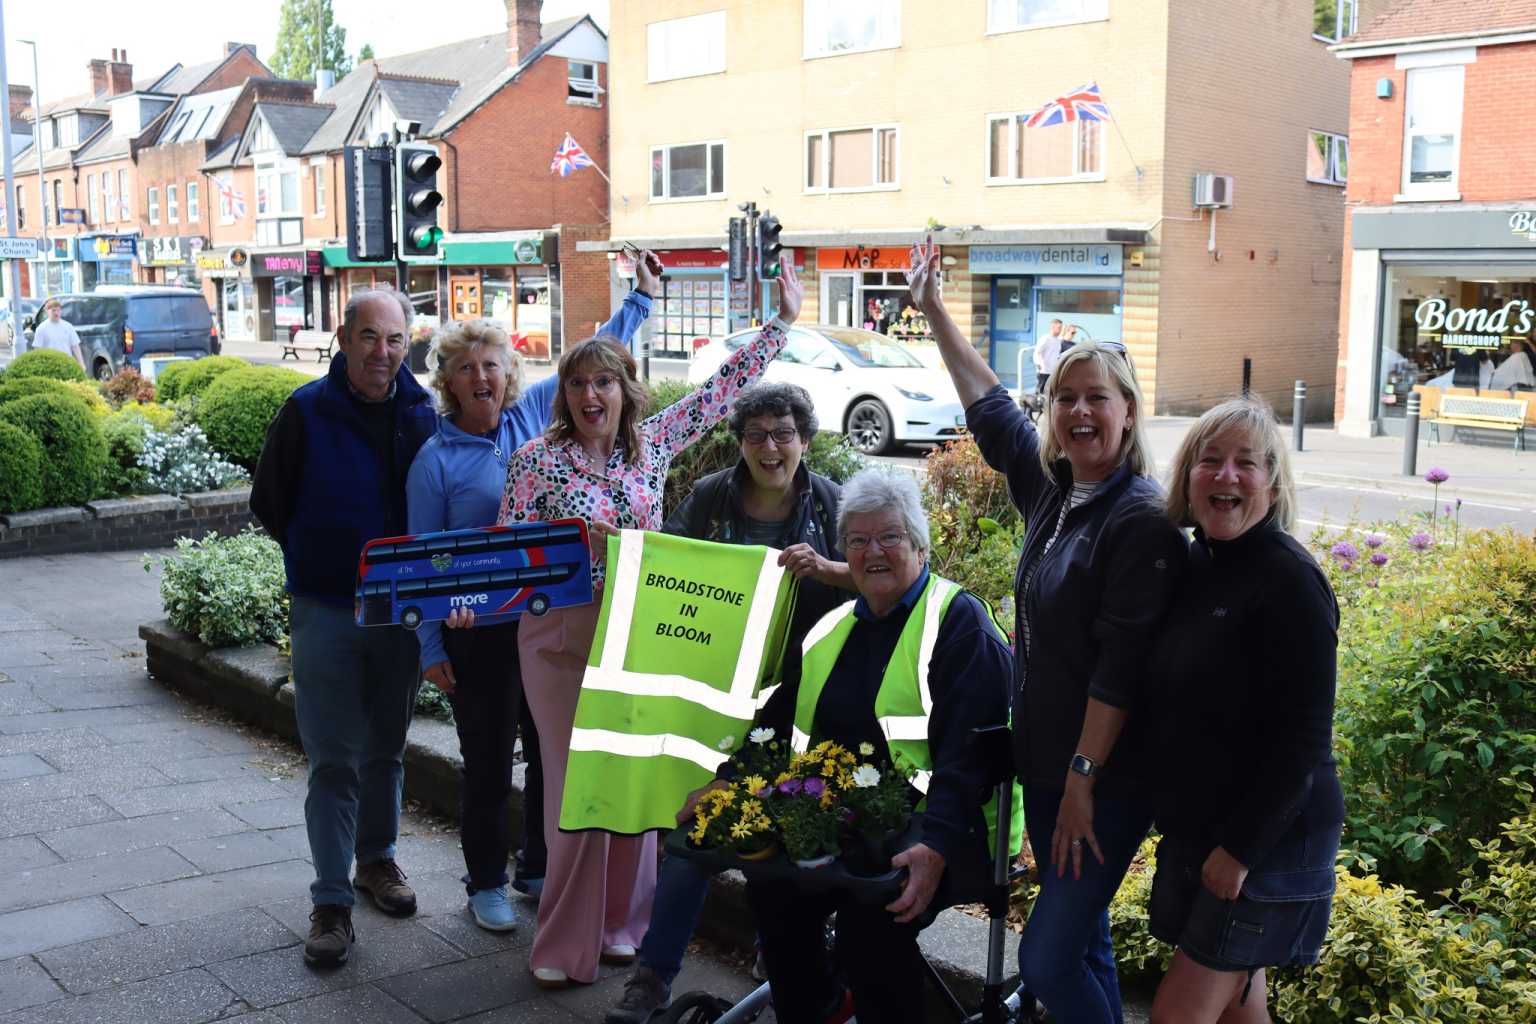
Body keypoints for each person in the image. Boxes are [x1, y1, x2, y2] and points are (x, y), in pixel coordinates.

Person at [498, 255, 803, 989]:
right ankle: (562, 942)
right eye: (577, 383)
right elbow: (507, 549)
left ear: (624, 389)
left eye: (603, 380)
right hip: (561, 637)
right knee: (577, 790)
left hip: (637, 634)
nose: (589, 394)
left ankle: (621, 927)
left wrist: (782, 323)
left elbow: (721, 391)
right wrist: (574, 546)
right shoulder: (538, 461)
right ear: (564, 395)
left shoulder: (652, 445)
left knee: (633, 782)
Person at [908, 235, 1186, 1024]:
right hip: (1049, 763)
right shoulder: (1059, 493)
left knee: (1047, 956)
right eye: (1066, 398)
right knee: (1083, 945)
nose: (1080, 411)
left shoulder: (1139, 519)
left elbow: (1120, 670)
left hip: (1104, 778)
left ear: (1129, 411)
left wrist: (1081, 784)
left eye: (1098, 397)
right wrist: (933, 307)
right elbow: (991, 410)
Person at [406, 275, 655, 933]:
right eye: (466, 369)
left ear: (509, 375)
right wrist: (434, 642)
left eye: (492, 365)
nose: (481, 377)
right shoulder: (435, 461)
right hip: (480, 629)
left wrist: (639, 301)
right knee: (487, 761)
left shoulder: (532, 421)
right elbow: (424, 559)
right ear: (450, 383)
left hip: (546, 622)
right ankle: (484, 881)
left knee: (551, 754)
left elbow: (596, 366)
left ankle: (539, 868)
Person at [606, 381, 854, 1023]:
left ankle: (786, 967)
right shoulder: (712, 496)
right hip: (718, 698)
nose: (769, 448)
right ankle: (652, 979)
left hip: (802, 705)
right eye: (755, 435)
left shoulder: (831, 507)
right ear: (739, 443)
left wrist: (826, 569)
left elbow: (886, 580)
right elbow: (667, 564)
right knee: (694, 835)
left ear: (805, 439)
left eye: (783, 434)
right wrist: (620, 548)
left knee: (783, 843)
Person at [727, 469, 1013, 1024]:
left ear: (920, 545)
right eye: (857, 541)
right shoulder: (830, 629)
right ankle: (821, 1011)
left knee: (871, 929)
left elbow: (967, 759)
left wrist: (936, 845)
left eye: (889, 537)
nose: (872, 552)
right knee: (773, 895)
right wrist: (731, 780)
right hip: (847, 821)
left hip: (948, 828)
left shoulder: (958, 625)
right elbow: (779, 721)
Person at [250, 287, 437, 968]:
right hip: (327, 609)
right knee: (333, 758)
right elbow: (270, 501)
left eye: (394, 340)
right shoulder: (306, 411)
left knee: (387, 748)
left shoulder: (422, 412)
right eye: (369, 338)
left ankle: (377, 862)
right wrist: (319, 560)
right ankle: (331, 901)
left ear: (407, 343)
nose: (382, 353)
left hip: (400, 612)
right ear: (343, 337)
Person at [1147, 399, 1342, 1023]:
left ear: (1272, 482)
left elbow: (1303, 739)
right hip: (1207, 830)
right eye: (1210, 461)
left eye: (1245, 464)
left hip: (1266, 836)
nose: (1226, 476)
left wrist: (1242, 850)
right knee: (1237, 1007)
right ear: (1187, 477)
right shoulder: (1200, 563)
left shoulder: (1289, 582)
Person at [33, 299, 87, 372]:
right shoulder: (41, 328)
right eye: (53, 310)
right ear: (47, 312)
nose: (56, 313)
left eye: (58, 310)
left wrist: (81, 363)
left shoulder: (68, 326)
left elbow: (75, 346)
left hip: (67, 365)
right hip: (49, 366)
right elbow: (37, 349)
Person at [1034, 318, 1066, 394]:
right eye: (1059, 328)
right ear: (1052, 327)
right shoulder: (1045, 338)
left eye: (1061, 328)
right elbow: (1037, 351)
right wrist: (1038, 364)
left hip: (1053, 370)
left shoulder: (1058, 340)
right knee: (1041, 391)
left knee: (1051, 391)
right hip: (1044, 370)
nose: (1060, 330)